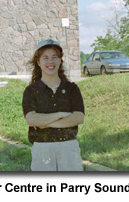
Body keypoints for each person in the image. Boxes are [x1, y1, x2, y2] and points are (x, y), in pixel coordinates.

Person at [22, 39, 85, 171]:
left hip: (69, 148)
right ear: (38, 62)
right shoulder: (31, 91)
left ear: (60, 60)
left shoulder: (71, 89)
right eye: (45, 58)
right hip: (42, 148)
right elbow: (31, 119)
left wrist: (43, 123)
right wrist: (61, 115)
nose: (50, 62)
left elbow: (79, 118)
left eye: (54, 57)